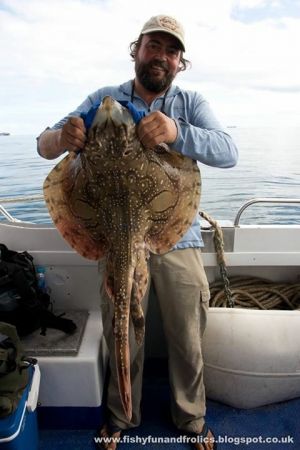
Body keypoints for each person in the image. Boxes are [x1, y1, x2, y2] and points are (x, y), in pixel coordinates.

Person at [38, 14, 238, 450]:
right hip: (112, 236)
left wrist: (176, 131)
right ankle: (121, 416)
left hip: (175, 235)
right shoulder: (104, 98)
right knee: (120, 330)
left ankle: (191, 418)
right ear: (137, 49)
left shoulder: (190, 103)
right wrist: (61, 137)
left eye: (171, 50)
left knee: (188, 335)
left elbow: (229, 151)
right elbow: (44, 143)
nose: (161, 56)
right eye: (153, 46)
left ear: (180, 62)